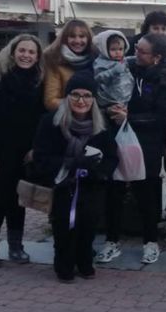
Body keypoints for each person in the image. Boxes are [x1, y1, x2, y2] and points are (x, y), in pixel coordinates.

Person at [98, 34, 166, 266]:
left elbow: (164, 117)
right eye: (136, 48)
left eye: (142, 51)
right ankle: (111, 241)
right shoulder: (124, 68)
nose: (135, 52)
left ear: (156, 57)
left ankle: (150, 242)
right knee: (113, 191)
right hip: (115, 139)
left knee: (145, 193)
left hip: (147, 145)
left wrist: (129, 118)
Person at [32, 73, 117, 282]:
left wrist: (96, 170)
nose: (81, 101)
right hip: (63, 184)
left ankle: (85, 261)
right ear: (67, 97)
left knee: (88, 225)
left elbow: (112, 156)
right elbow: (41, 156)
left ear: (94, 99)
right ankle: (64, 265)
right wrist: (69, 163)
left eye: (87, 96)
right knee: (64, 226)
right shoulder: (50, 122)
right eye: (76, 95)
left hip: (91, 184)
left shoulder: (102, 125)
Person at [0, 34, 45, 268]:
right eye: (22, 50)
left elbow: (40, 118)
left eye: (31, 52)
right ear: (13, 52)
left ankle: (16, 246)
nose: (26, 55)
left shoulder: (39, 79)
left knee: (19, 200)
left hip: (24, 154)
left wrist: (36, 148)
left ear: (37, 56)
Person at [43, 19, 95, 111]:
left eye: (82, 36)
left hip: (94, 120)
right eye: (72, 36)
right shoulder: (55, 62)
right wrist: (81, 104)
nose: (77, 40)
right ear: (64, 39)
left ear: (88, 38)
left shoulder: (97, 61)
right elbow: (50, 101)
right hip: (66, 119)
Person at [91, 30, 134, 109]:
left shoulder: (122, 60)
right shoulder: (100, 63)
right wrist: (113, 71)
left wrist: (137, 57)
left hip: (124, 98)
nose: (117, 52)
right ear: (104, 49)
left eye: (120, 49)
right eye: (113, 49)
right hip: (109, 100)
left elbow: (127, 59)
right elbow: (98, 78)